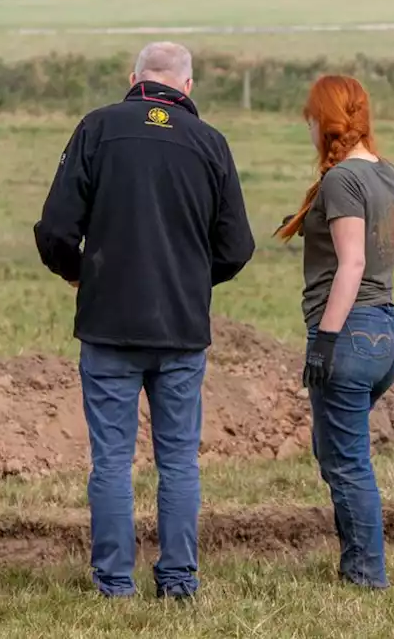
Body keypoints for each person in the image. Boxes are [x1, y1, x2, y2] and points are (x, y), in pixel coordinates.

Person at [33, 42, 255, 600]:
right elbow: (237, 246)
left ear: (132, 77)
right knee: (178, 460)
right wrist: (192, 280)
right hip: (181, 327)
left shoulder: (98, 128)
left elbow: (56, 228)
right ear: (188, 86)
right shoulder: (210, 143)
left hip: (108, 322)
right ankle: (179, 579)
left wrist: (79, 274)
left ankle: (114, 581)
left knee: (112, 460)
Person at [275, 74, 394, 590]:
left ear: (322, 120)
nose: (307, 127)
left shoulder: (340, 180)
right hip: (386, 333)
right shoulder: (385, 172)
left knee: (348, 464)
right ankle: (358, 565)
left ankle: (366, 575)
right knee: (337, 452)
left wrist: (325, 341)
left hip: (350, 335)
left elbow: (351, 263)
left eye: (310, 117)